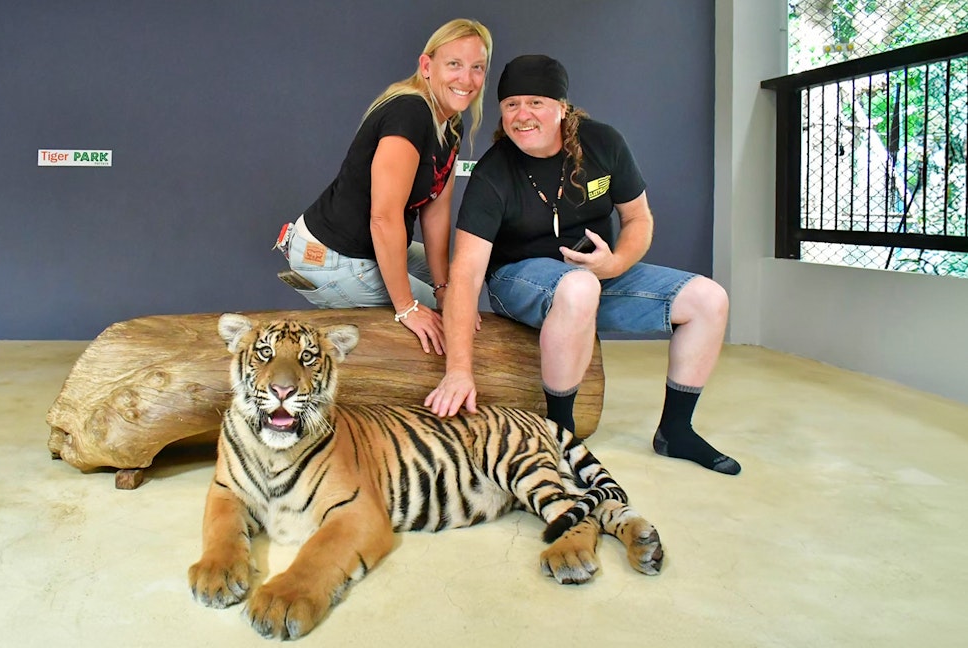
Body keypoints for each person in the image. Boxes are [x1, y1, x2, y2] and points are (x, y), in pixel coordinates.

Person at [424, 54, 741, 475]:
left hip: (598, 276)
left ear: (562, 107)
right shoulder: (494, 172)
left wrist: (617, 263)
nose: (522, 115)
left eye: (536, 102)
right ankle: (561, 433)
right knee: (578, 287)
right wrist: (459, 370)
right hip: (520, 280)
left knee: (709, 298)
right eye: (512, 104)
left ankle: (676, 432)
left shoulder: (602, 144)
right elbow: (465, 274)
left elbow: (638, 219)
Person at [276, 18, 493, 356]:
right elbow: (384, 217)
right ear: (426, 66)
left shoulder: (452, 123)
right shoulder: (410, 112)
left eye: (477, 67)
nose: (466, 79)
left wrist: (443, 287)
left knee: (460, 287)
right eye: (454, 64)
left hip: (367, 247)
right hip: (331, 255)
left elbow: (435, 211)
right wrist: (407, 306)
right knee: (447, 321)